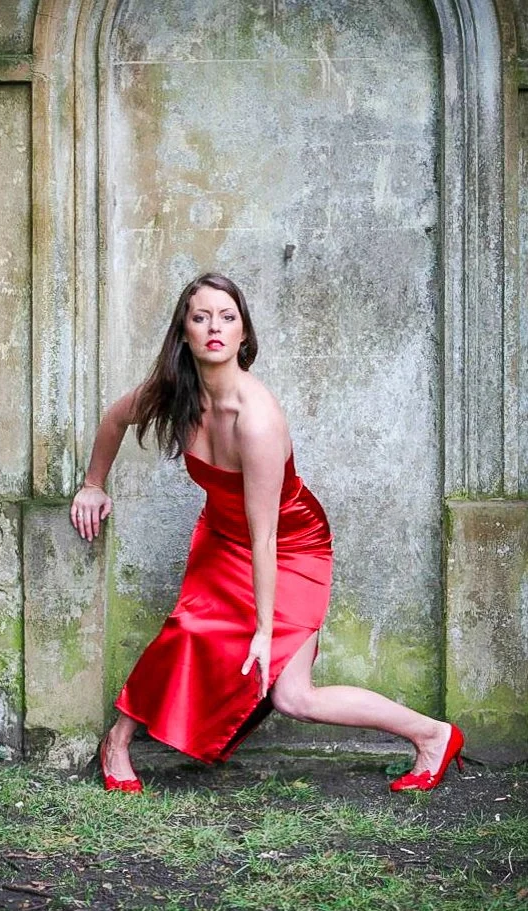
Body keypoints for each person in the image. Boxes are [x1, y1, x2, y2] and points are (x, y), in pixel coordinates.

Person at [70, 272, 464, 794]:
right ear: (183, 332)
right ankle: (117, 742)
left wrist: (261, 631)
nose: (215, 327)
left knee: (293, 698)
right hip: (223, 531)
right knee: (186, 629)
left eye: (227, 317)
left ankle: (433, 735)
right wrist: (93, 484)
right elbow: (115, 419)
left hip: (288, 546)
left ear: (244, 335)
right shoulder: (175, 393)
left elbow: (265, 537)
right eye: (201, 316)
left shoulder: (255, 419)